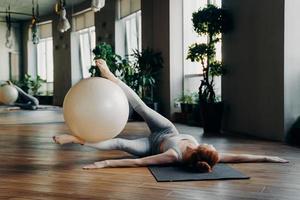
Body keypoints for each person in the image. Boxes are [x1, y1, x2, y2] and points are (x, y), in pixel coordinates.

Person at [53, 59, 288, 171]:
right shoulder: (207, 153)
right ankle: (111, 76)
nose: (209, 144)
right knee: (142, 107)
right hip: (167, 130)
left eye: (206, 145)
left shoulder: (173, 157)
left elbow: (137, 162)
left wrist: (103, 164)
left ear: (197, 150)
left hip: (151, 145)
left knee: (119, 142)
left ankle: (76, 139)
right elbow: (238, 157)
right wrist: (268, 158)